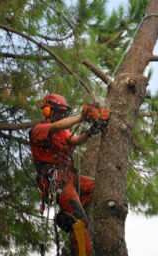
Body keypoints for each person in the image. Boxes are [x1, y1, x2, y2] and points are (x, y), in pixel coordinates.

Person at [29, 94, 107, 256]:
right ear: (48, 111)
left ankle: (68, 214)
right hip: (57, 182)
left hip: (70, 177)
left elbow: (76, 140)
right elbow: (55, 128)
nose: (62, 116)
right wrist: (81, 117)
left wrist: (92, 130)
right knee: (80, 221)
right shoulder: (39, 130)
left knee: (98, 187)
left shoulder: (63, 131)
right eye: (58, 112)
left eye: (63, 114)